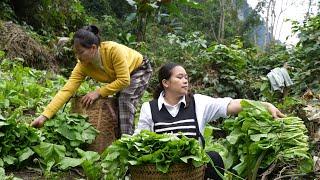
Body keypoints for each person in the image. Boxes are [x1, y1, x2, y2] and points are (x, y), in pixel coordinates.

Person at [135, 62, 285, 180]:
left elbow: (231, 104)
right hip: (162, 172)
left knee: (214, 158)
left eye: (186, 77)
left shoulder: (198, 103)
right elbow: (140, 140)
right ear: (166, 83)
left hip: (192, 170)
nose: (185, 81)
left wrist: (265, 105)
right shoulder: (149, 108)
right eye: (180, 77)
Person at [31, 25, 152, 135]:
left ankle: (127, 140)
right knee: (117, 104)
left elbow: (124, 80)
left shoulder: (113, 51)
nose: (78, 57)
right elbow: (67, 90)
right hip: (122, 76)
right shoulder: (82, 65)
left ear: (93, 48)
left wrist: (98, 92)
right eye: (76, 53)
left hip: (139, 69)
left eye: (81, 52)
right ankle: (116, 139)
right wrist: (44, 116)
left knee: (125, 99)